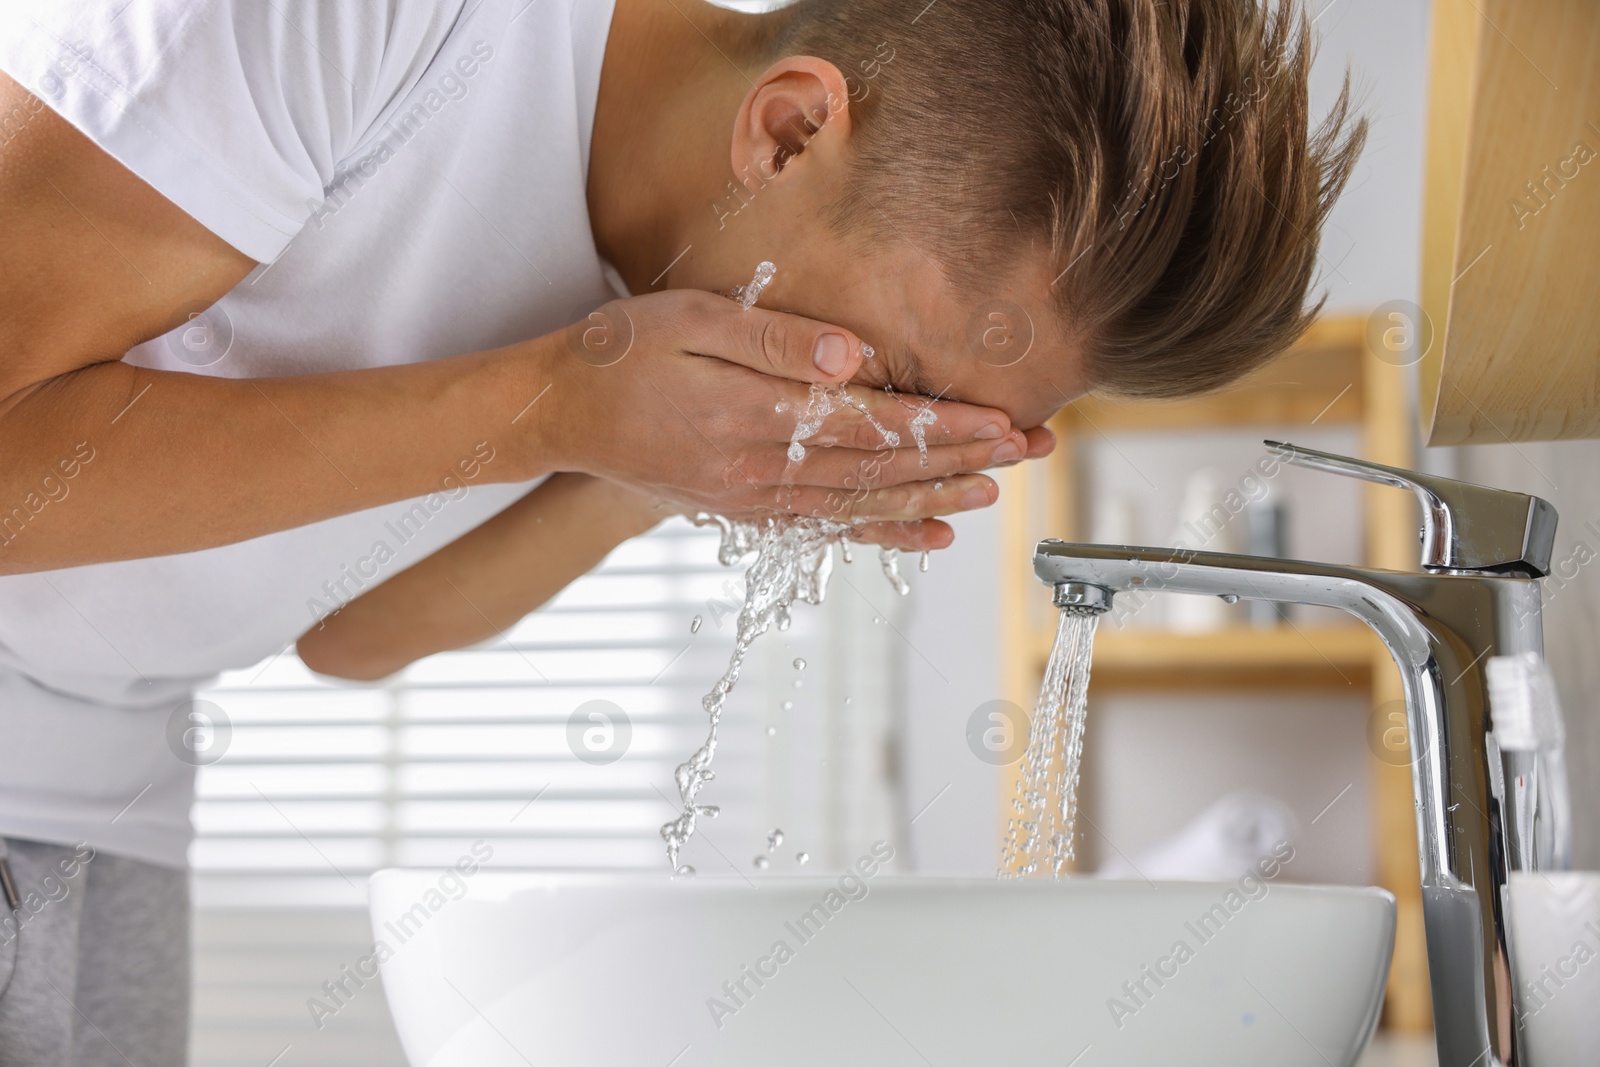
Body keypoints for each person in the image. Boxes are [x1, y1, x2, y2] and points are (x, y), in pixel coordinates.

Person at [0, 0, 1363, 1061]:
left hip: (105, 810)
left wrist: (635, 466)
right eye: (890, 381)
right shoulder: (388, 31)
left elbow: (359, 631)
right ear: (784, 132)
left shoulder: (665, 298)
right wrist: (554, 401)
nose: (871, 435)